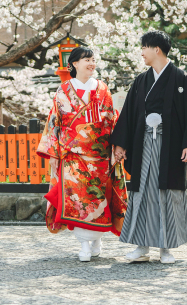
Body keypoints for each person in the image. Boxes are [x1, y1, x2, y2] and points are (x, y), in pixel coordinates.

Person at [110, 30, 187, 264]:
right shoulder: (141, 81)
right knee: (142, 192)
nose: (142, 52)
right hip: (143, 143)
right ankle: (141, 246)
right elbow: (129, 114)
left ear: (157, 49)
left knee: (168, 193)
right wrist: (121, 143)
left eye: (144, 47)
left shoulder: (182, 79)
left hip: (170, 145)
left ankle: (166, 247)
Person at [37, 46, 127, 262]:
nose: (91, 63)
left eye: (93, 59)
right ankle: (84, 244)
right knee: (79, 202)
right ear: (74, 64)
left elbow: (111, 120)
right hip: (73, 156)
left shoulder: (103, 89)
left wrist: (117, 147)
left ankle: (96, 240)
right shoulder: (63, 91)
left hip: (99, 155)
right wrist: (54, 154)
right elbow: (55, 123)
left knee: (99, 199)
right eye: (86, 59)